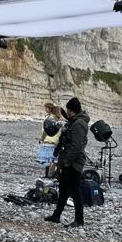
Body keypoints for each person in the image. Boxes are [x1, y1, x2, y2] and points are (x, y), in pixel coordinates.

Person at [45, 97, 90, 227]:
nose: (68, 113)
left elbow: (77, 146)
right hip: (68, 160)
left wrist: (67, 162)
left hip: (74, 163)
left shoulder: (79, 124)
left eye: (69, 110)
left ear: (72, 110)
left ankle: (79, 219)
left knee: (75, 191)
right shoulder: (74, 122)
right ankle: (56, 215)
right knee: (64, 189)